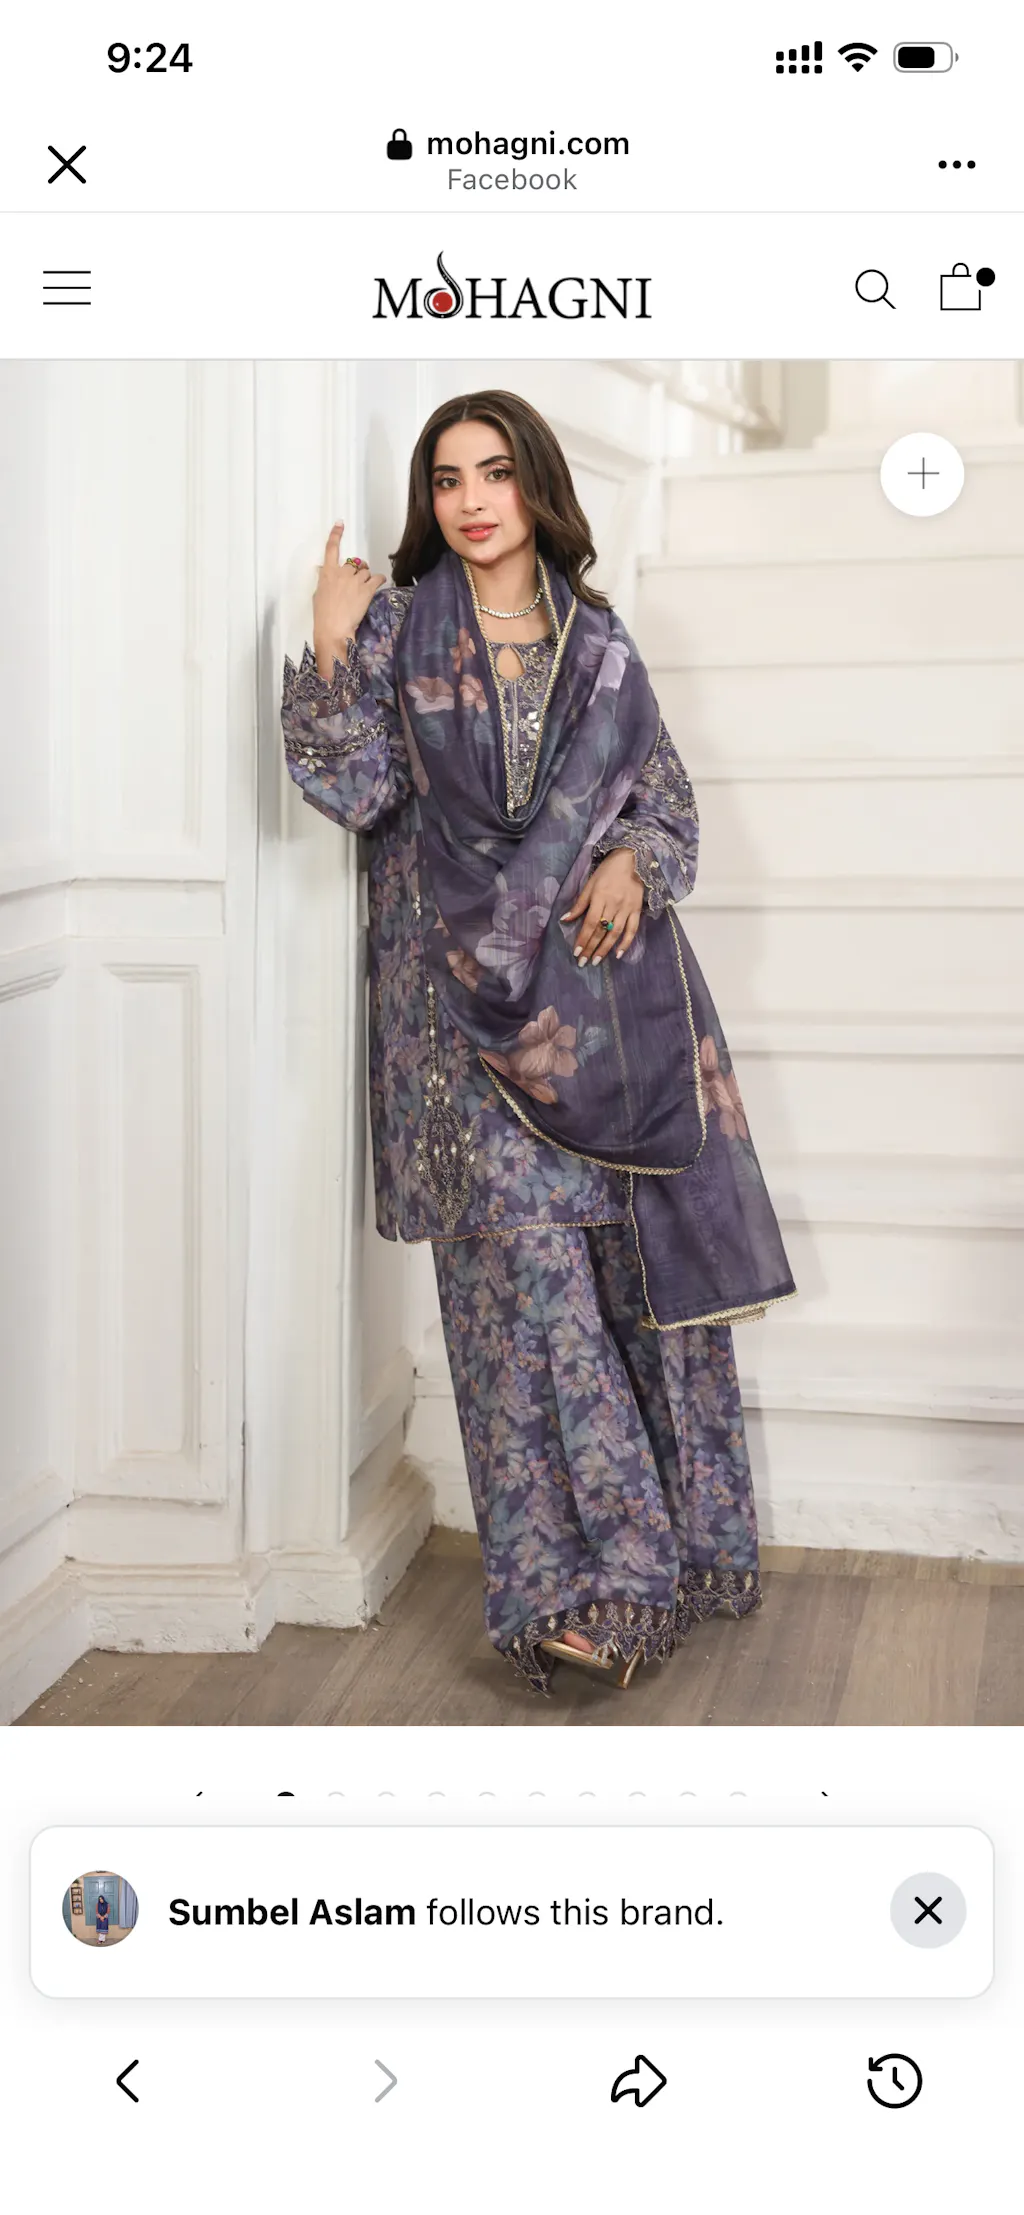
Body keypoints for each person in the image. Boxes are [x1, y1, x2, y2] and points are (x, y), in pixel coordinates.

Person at [281, 389, 795, 1695]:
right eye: (447, 478)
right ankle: (583, 1590)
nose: (470, 500)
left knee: (622, 1295)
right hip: (456, 1033)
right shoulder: (396, 630)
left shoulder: (597, 642)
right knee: (519, 1312)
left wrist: (631, 860)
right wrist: (331, 644)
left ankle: (662, 1566)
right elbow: (357, 792)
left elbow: (667, 807)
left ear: (536, 486)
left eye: (495, 472)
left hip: (603, 1015)